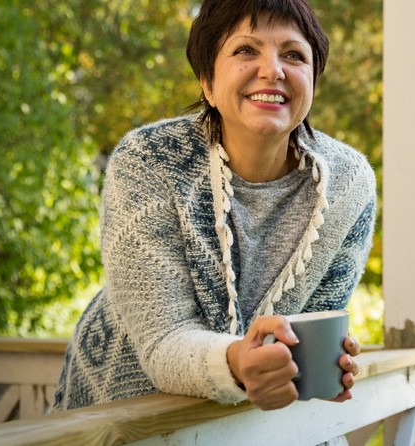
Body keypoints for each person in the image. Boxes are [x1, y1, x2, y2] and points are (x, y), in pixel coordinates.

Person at [53, 0, 375, 413]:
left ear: (313, 80)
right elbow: (163, 340)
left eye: (294, 55)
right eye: (245, 50)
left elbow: (313, 327)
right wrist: (237, 360)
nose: (273, 70)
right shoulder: (147, 159)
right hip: (123, 408)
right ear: (207, 81)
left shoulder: (349, 182)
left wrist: (320, 368)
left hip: (248, 419)